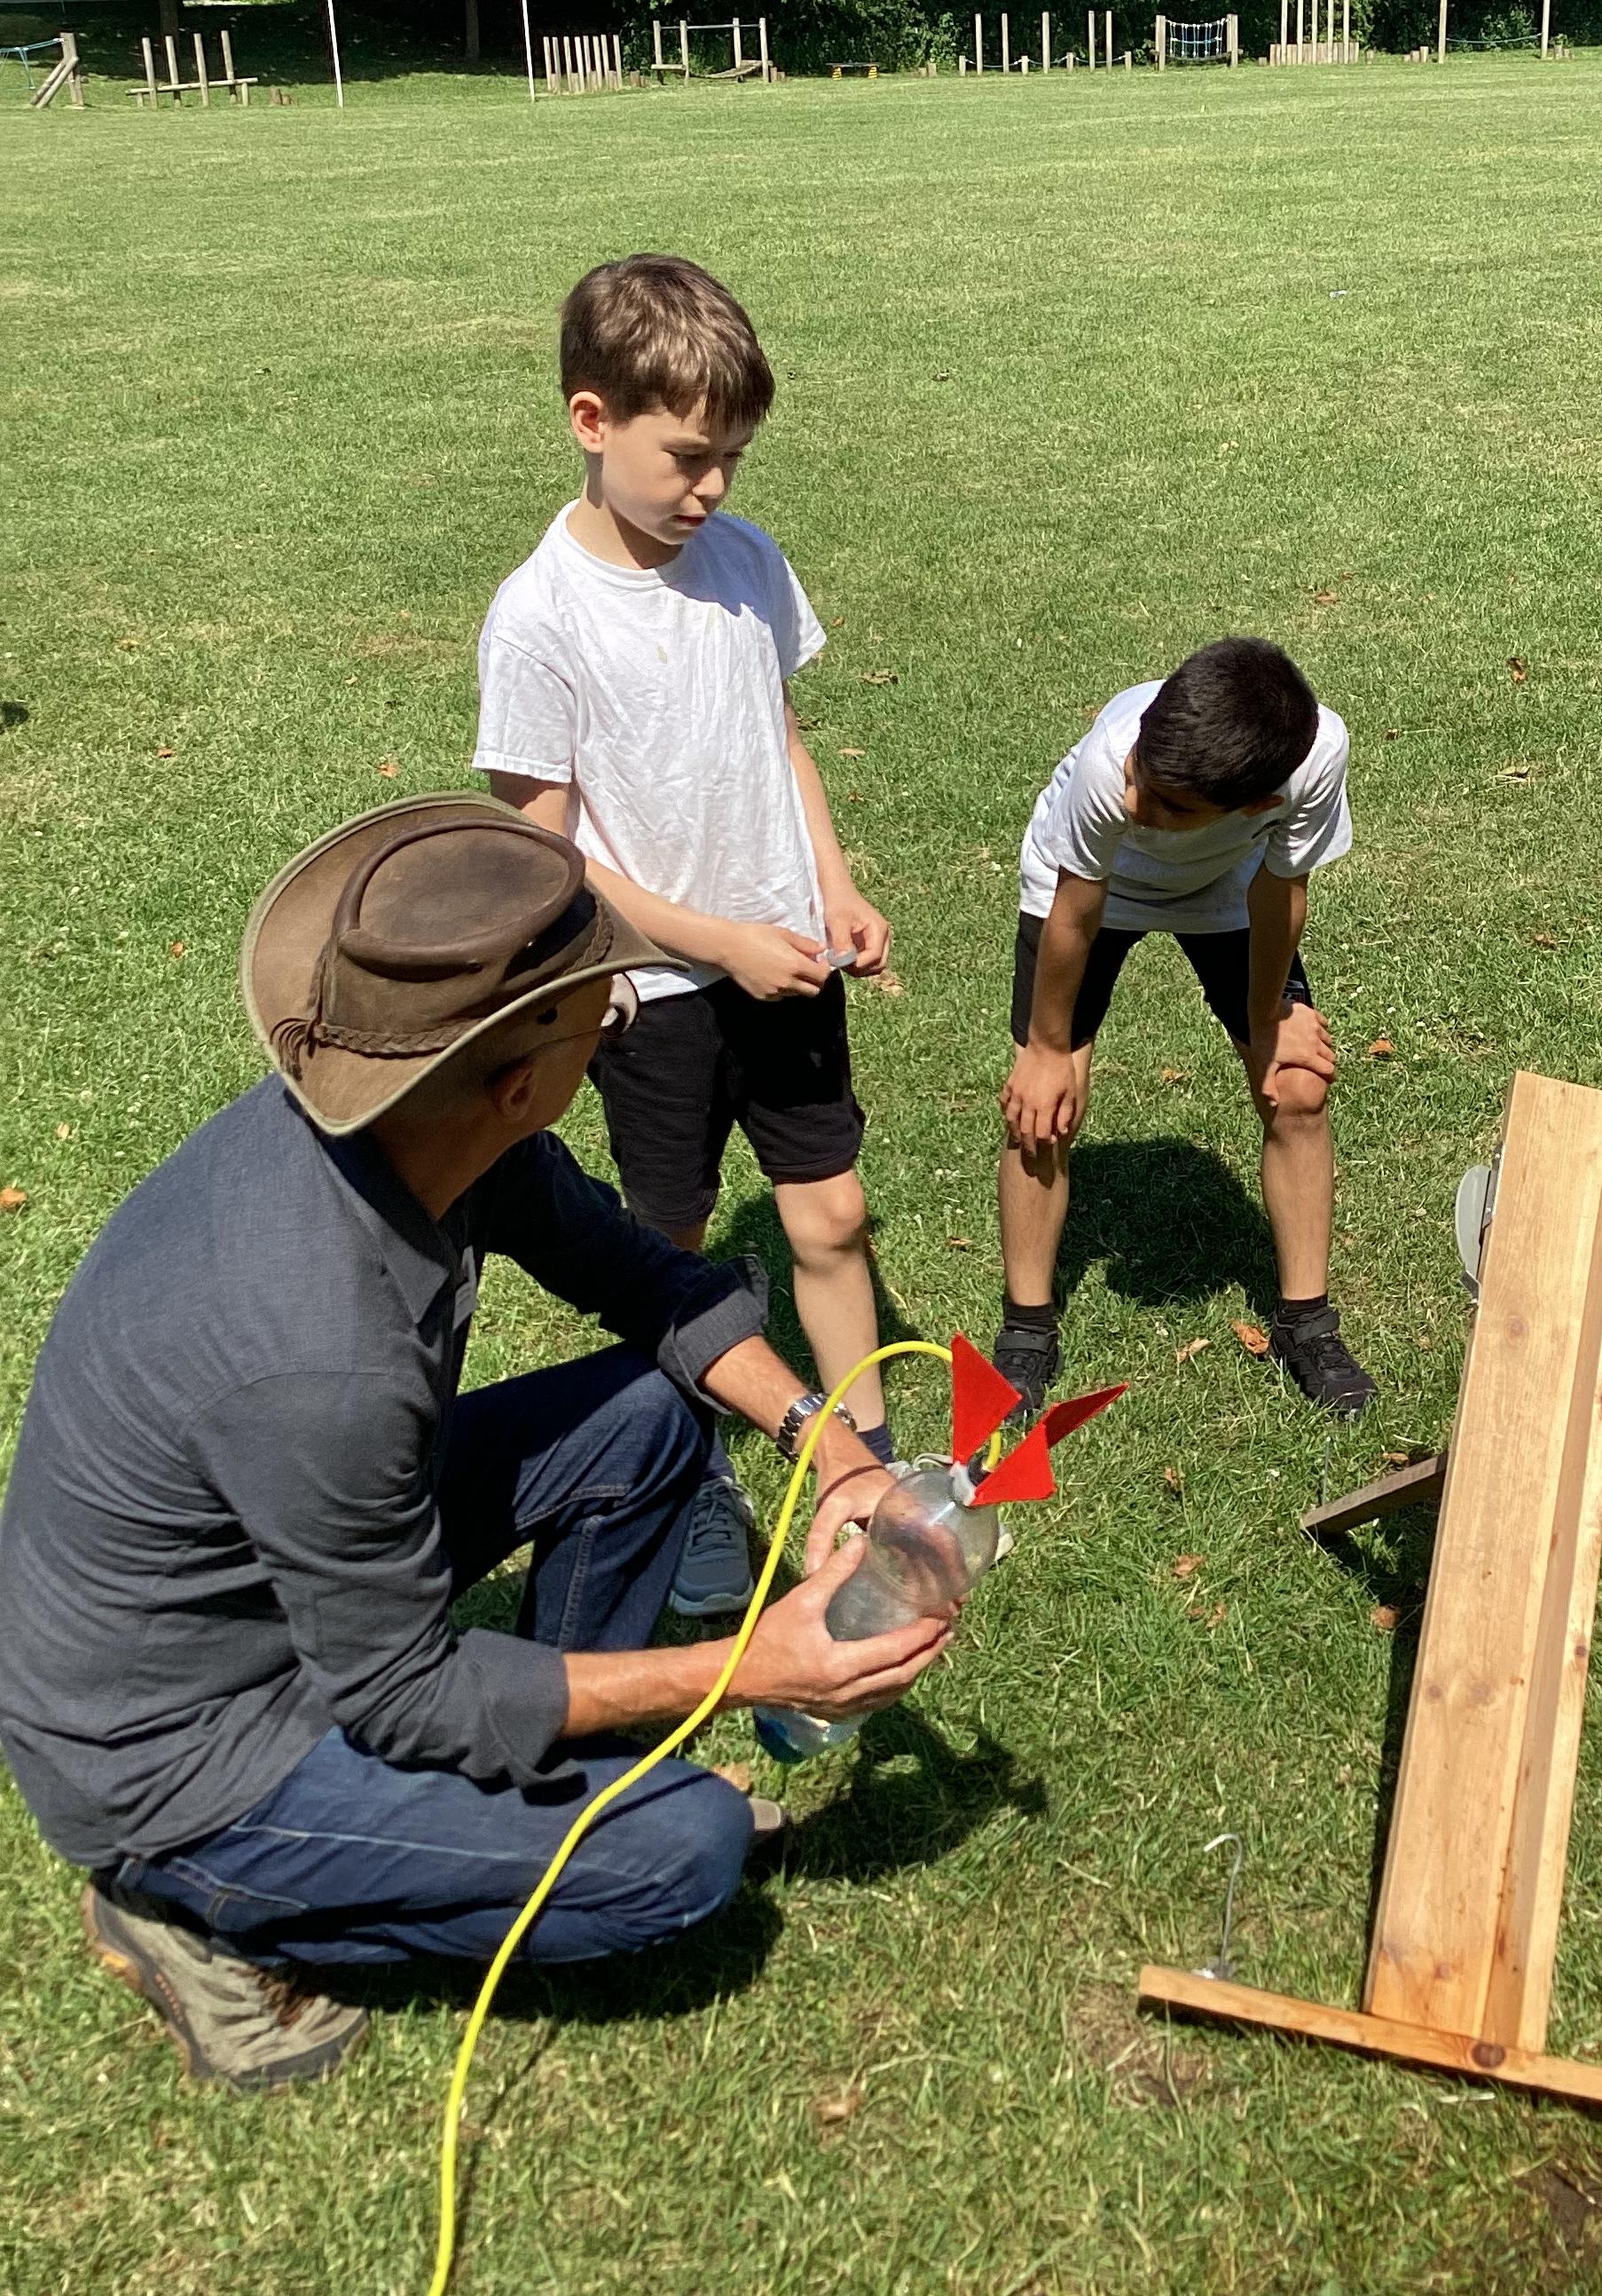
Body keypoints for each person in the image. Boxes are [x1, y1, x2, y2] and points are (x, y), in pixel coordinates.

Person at [0, 798, 947, 2093]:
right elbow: (402, 1692)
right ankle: (192, 1905)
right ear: (517, 1081)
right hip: (182, 1750)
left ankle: (559, 1767)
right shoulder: (319, 1348)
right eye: (605, 1014)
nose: (617, 1027)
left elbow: (644, 1281)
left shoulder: (422, 1125)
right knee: (684, 1852)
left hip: (283, 1578)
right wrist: (749, 1670)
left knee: (651, 1410)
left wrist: (826, 1442)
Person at [474, 255, 894, 1618]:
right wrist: (716, 940)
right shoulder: (540, 618)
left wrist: (833, 885)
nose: (712, 488)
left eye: (733, 460)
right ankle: (697, 1471)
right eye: (688, 458)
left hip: (788, 959)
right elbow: (549, 858)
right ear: (592, 421)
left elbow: (781, 738)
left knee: (833, 1213)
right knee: (675, 1240)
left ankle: (868, 1469)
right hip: (652, 993)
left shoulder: (747, 561)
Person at [994, 636, 1376, 1419]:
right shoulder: (1112, 766)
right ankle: (1027, 1328)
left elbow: (1281, 887)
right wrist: (1047, 1050)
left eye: (1169, 804)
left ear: (1260, 803)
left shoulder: (1312, 758)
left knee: (1298, 1089)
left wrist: (1269, 1020)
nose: (1137, 802)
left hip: (1229, 884)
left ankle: (1306, 1323)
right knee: (1044, 1109)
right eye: (1142, 776)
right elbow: (1076, 910)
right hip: (1089, 888)